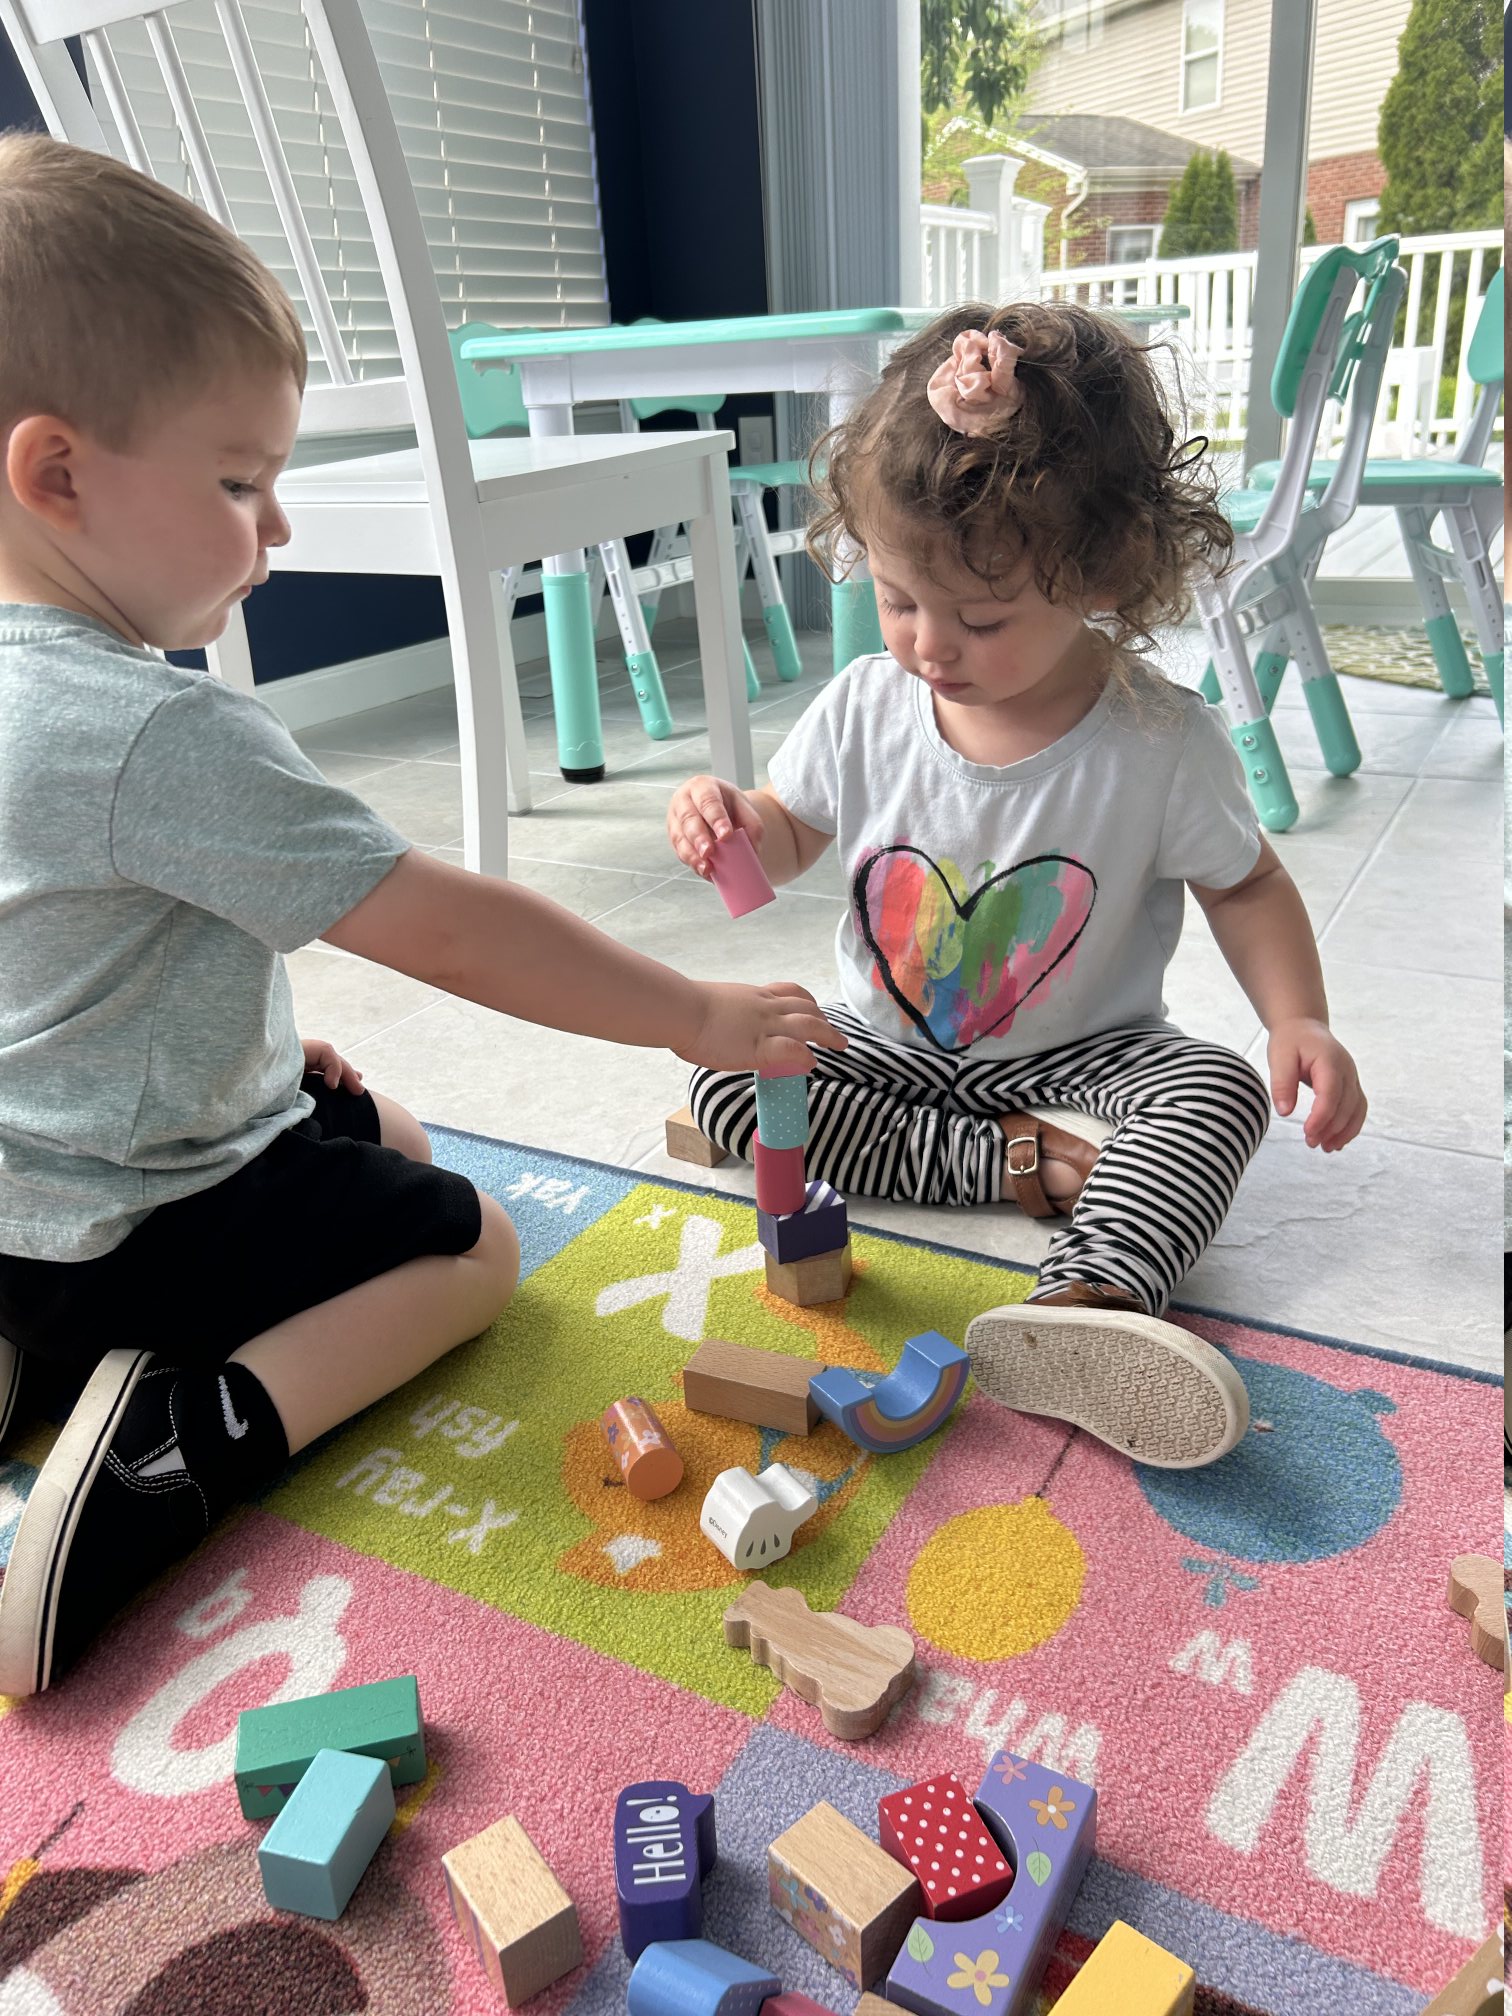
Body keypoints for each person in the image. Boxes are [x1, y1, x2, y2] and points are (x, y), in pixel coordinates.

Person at [0, 132, 842, 1697]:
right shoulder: (155, 734)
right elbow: (450, 929)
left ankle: (32, 1360)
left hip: (15, 1203)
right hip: (137, 1225)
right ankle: (187, 1440)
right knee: (468, 1234)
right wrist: (698, 1014)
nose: (280, 531)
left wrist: (213, 1035)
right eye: (242, 483)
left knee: (378, 1122)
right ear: (57, 473)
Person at [668, 304, 1367, 1473]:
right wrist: (735, 820)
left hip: (1086, 1051)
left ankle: (1088, 1299)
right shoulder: (863, 706)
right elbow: (791, 835)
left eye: (980, 618)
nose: (929, 645)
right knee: (732, 1071)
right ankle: (1011, 1165)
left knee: (1216, 1091)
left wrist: (1297, 1018)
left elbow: (1246, 887)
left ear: (1099, 571)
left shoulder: (1158, 736)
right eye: (898, 600)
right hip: (886, 1044)